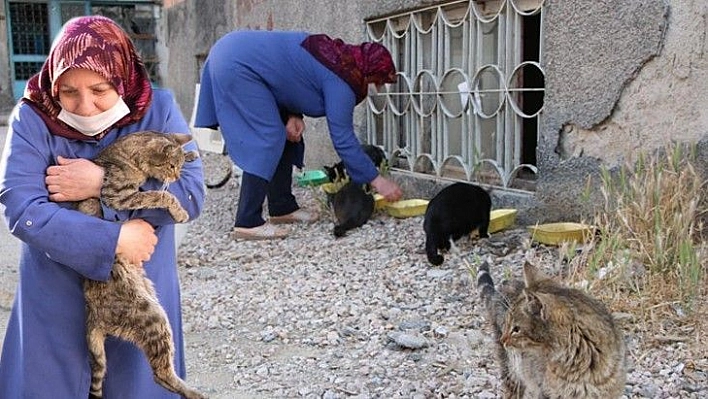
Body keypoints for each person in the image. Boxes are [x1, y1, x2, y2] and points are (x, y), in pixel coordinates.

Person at [0, 16, 205, 398]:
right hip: (56, 292)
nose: (87, 107)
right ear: (53, 85)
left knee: (139, 382)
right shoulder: (32, 117)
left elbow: (191, 193)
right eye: (68, 92)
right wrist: (114, 237)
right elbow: (21, 208)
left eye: (100, 89)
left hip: (139, 291)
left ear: (122, 79)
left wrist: (99, 182)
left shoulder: (157, 109)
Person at [195, 30, 403, 240]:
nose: (377, 88)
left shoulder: (336, 59)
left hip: (233, 52)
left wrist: (292, 114)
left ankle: (282, 207)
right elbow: (343, 138)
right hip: (237, 63)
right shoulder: (343, 79)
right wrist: (377, 180)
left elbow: (288, 75)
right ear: (366, 71)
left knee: (288, 134)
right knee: (268, 137)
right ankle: (248, 221)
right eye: (377, 80)